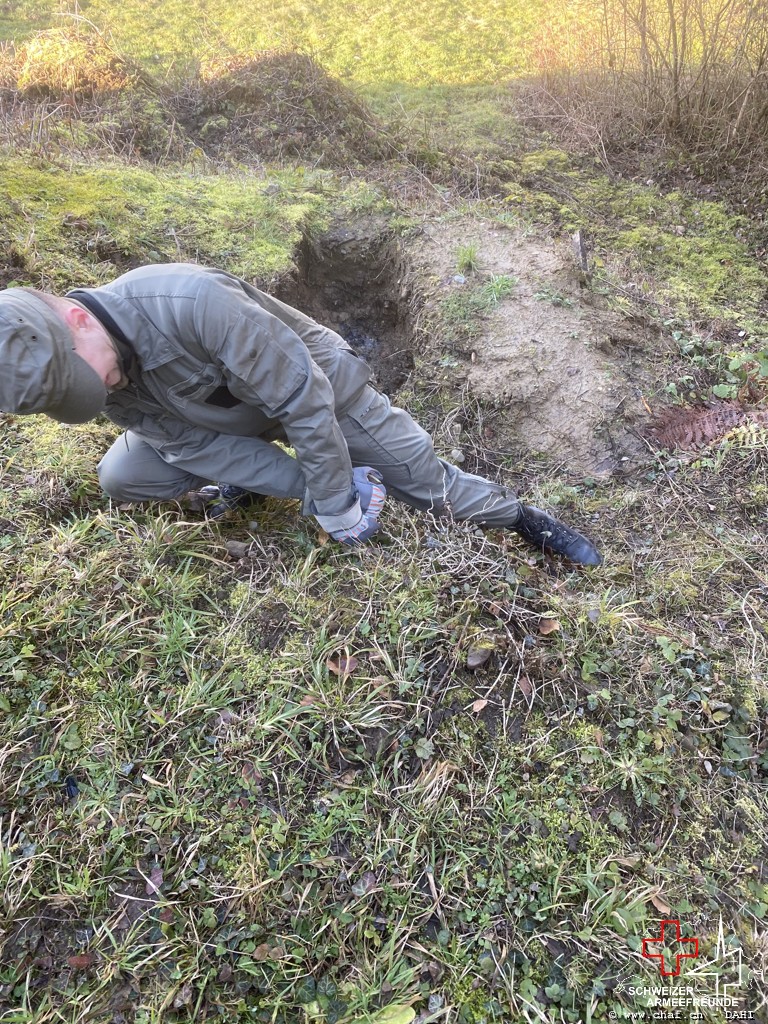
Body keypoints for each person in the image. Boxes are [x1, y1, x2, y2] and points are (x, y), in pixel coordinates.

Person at [0, 262, 602, 564]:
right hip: (219, 422)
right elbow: (192, 447)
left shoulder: (191, 302)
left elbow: (302, 398)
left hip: (316, 389)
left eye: (87, 378)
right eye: (77, 395)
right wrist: (312, 492)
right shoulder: (91, 377)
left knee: (422, 481)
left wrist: (338, 494)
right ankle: (247, 489)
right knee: (124, 475)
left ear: (76, 318)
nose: (98, 392)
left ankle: (520, 517)